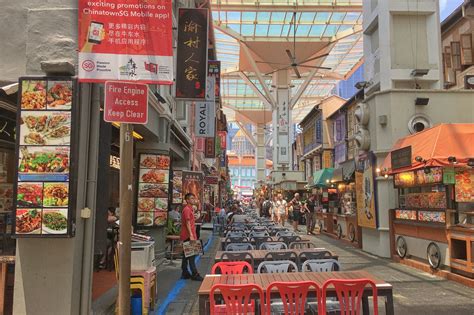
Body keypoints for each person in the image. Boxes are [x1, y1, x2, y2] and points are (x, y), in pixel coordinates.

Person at [180, 193, 203, 281]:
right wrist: (191, 235)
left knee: (186, 255)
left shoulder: (190, 209)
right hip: (188, 235)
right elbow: (187, 223)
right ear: (187, 200)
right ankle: (195, 274)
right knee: (192, 255)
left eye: (194, 198)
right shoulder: (187, 209)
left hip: (188, 234)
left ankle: (185, 272)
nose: (194, 200)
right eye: (192, 198)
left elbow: (191, 221)